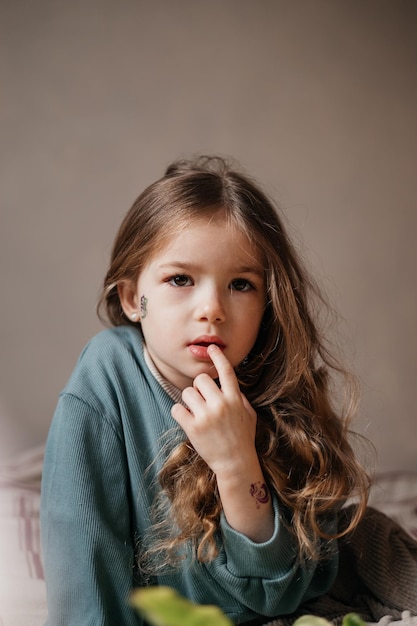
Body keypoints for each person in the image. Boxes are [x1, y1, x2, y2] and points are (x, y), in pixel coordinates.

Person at [40, 155, 371, 626]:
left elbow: (280, 592)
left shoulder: (280, 388)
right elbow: (83, 558)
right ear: (135, 298)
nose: (212, 309)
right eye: (180, 279)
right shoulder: (106, 377)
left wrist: (237, 462)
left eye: (241, 284)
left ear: (268, 303)